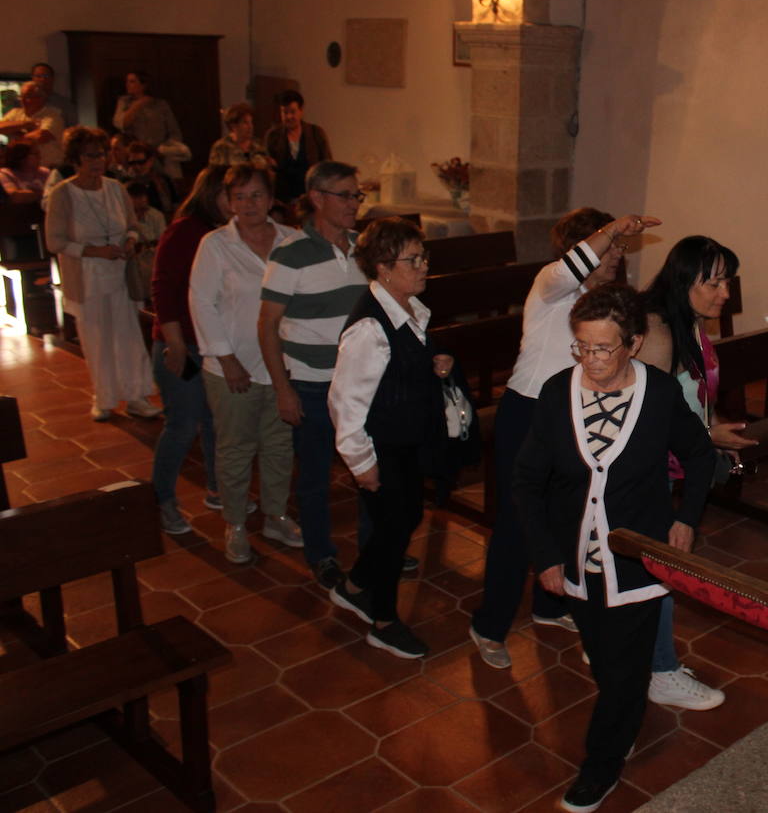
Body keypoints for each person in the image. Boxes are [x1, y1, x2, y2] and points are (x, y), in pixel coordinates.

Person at [516, 283, 715, 813]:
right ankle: (623, 716)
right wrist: (546, 555)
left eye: (604, 348)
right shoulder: (557, 393)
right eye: (582, 346)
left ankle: (600, 766)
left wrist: (686, 519)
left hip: (637, 559)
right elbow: (528, 481)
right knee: (606, 662)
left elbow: (700, 456)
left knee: (625, 671)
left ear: (633, 343)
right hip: (576, 560)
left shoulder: (660, 394)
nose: (591, 359)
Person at [469, 208, 660, 669]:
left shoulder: (604, 306)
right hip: (527, 412)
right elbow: (570, 268)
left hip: (572, 416)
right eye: (610, 247)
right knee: (518, 524)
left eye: (619, 247)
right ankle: (489, 625)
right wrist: (613, 229)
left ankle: (549, 606)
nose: (616, 255)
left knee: (566, 518)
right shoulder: (551, 288)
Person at [328, 218, 480, 659]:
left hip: (407, 441)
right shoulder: (369, 328)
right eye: (413, 260)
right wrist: (362, 464)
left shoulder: (408, 309)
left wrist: (438, 362)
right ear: (383, 267)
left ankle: (354, 586)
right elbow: (344, 403)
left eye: (423, 256)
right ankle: (383, 621)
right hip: (383, 447)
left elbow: (402, 365)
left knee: (406, 516)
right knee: (394, 529)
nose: (424, 266)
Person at [638, 235, 757, 711]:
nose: (725, 293)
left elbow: (689, 399)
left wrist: (712, 431)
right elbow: (647, 421)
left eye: (728, 281)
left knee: (649, 566)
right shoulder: (657, 331)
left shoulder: (688, 321)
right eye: (714, 283)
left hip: (673, 461)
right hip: (646, 471)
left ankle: (626, 649)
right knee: (659, 566)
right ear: (683, 280)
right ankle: (660, 672)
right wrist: (706, 436)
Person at [259, 160, 370, 587]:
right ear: (317, 198)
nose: (355, 204)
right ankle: (321, 554)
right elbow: (267, 325)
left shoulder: (365, 248)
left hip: (360, 384)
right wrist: (283, 389)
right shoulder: (290, 254)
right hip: (310, 383)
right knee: (314, 477)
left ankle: (375, 549)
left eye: (357, 195)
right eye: (346, 195)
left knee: (370, 470)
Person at [190, 165, 305, 563]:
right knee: (236, 448)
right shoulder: (215, 245)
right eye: (239, 196)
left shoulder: (292, 240)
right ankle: (236, 522)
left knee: (279, 445)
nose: (248, 204)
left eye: (256, 195)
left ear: (271, 199)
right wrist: (226, 358)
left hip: (282, 365)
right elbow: (201, 302)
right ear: (227, 202)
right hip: (232, 365)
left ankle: (275, 515)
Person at [43, 127, 160, 422]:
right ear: (75, 159)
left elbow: (132, 226)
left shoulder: (115, 188)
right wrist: (94, 251)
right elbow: (54, 242)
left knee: (128, 336)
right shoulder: (63, 194)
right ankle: (103, 398)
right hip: (87, 275)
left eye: (102, 154)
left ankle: (136, 396)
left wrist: (130, 240)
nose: (98, 161)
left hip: (120, 273)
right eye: (90, 155)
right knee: (97, 339)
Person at [149, 166, 232, 535]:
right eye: (231, 195)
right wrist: (175, 344)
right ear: (211, 194)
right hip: (181, 342)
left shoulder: (227, 232)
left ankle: (217, 489)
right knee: (182, 426)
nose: (238, 203)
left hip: (211, 343)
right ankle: (163, 500)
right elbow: (163, 290)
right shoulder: (185, 231)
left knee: (215, 421)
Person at [264, 90, 332, 205]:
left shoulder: (316, 133)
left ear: (301, 111)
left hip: (311, 198)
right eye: (285, 112)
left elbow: (327, 165)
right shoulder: (273, 136)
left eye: (293, 112)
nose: (289, 116)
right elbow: (269, 169)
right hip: (282, 199)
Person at [112, 72, 184, 177]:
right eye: (126, 81)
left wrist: (165, 149)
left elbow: (174, 131)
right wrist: (138, 104)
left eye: (132, 81)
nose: (127, 85)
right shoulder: (124, 102)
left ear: (143, 85)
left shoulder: (160, 104)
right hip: (136, 154)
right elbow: (120, 123)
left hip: (160, 152)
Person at [0, 81, 64, 168]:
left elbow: (41, 136)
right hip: (21, 169)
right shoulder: (15, 113)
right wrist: (25, 124)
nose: (23, 100)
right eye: (21, 96)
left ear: (40, 98)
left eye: (28, 96)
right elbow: (1, 127)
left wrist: (15, 134)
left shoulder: (52, 115)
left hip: (48, 167)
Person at [124, 181, 165, 303]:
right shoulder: (122, 217)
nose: (142, 199)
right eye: (137, 196)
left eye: (144, 195)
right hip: (130, 264)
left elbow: (161, 240)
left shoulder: (156, 215)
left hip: (151, 261)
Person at [209, 103, 273, 170]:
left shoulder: (259, 145)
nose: (250, 126)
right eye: (245, 122)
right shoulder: (221, 147)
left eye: (251, 122)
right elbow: (214, 174)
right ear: (233, 125)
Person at [124, 142, 179, 215]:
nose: (137, 167)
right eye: (132, 163)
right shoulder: (127, 182)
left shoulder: (163, 180)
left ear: (151, 161)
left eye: (141, 162)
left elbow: (174, 204)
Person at [0, 141, 50, 205]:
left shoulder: (45, 172)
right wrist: (44, 193)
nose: (39, 157)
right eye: (35, 154)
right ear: (21, 157)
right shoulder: (6, 174)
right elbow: (16, 197)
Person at [30, 63, 75, 127]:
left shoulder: (65, 104)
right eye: (38, 76)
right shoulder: (26, 102)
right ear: (32, 78)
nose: (43, 79)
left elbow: (73, 127)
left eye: (46, 76)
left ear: (52, 78)